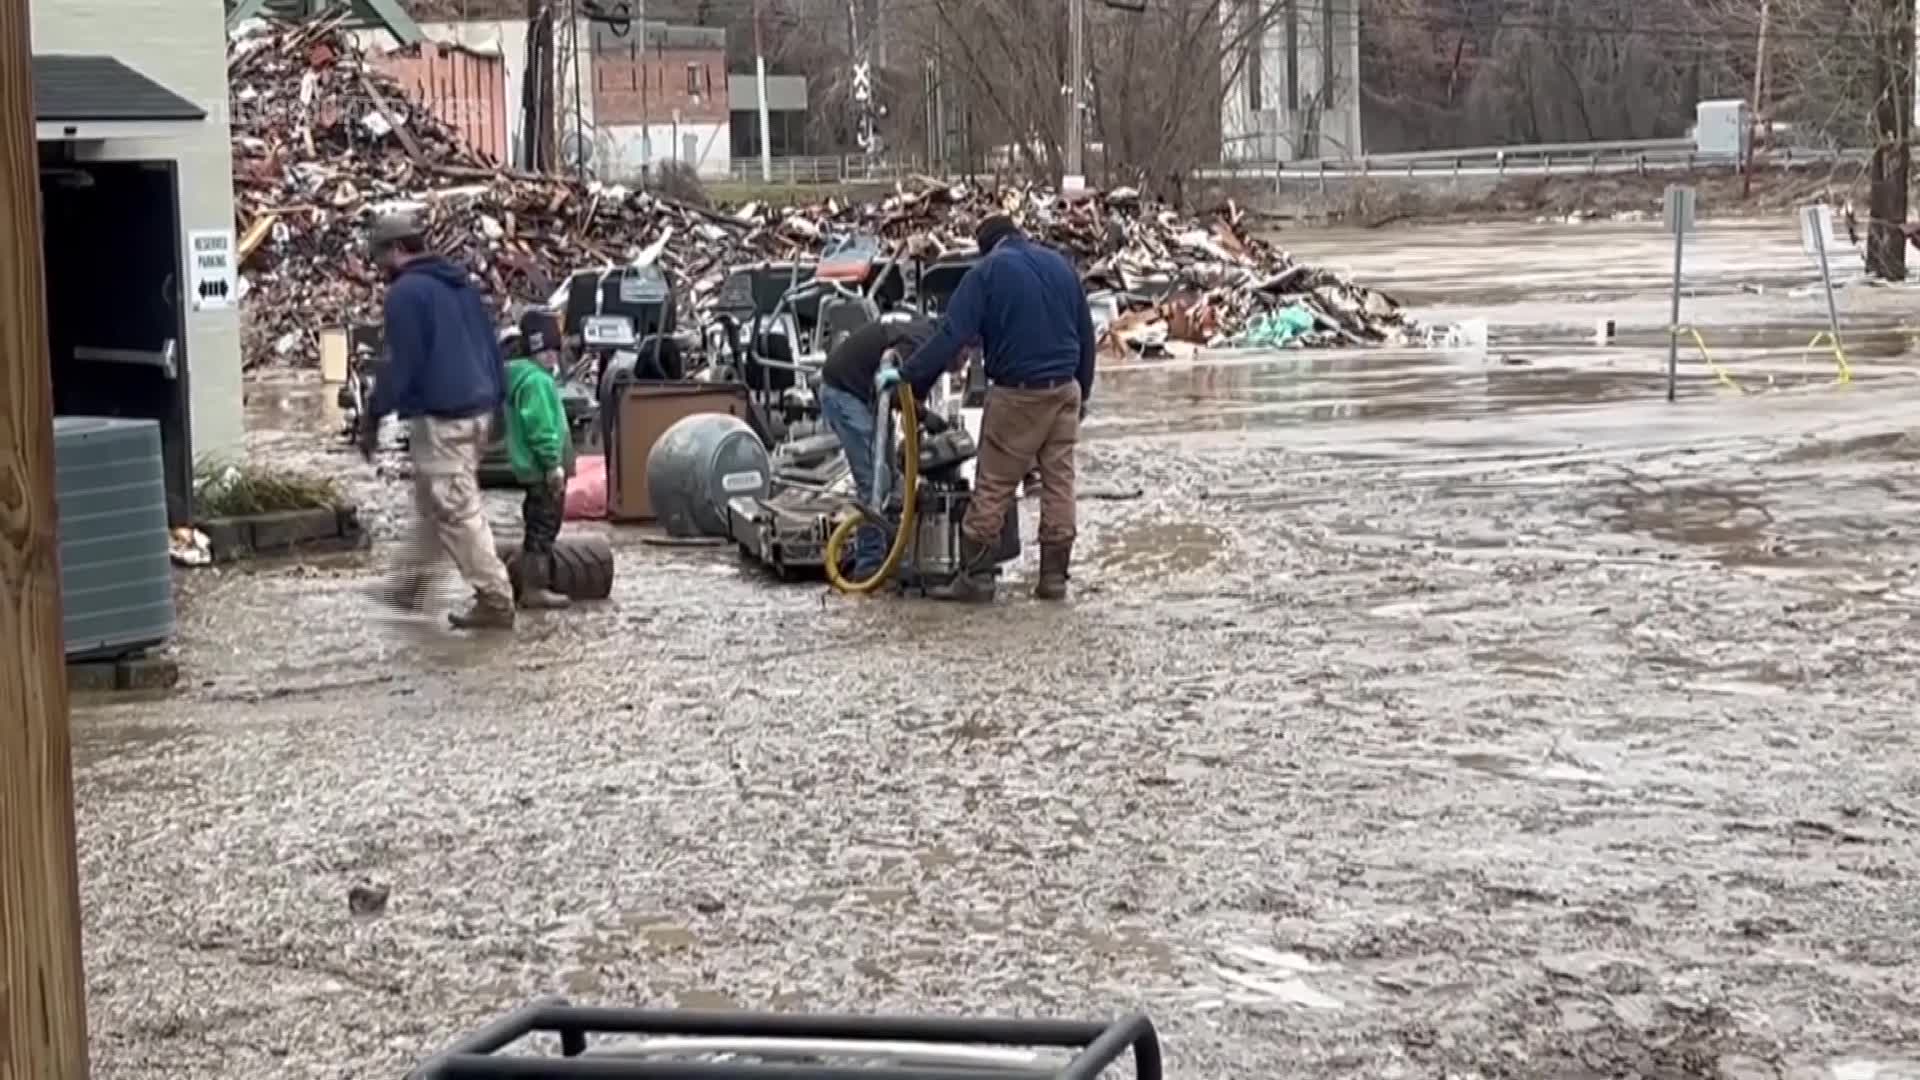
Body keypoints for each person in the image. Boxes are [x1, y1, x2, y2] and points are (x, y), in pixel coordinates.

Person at [885, 215, 1095, 603]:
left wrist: (910, 381)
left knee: (995, 484)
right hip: (1065, 389)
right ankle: (1053, 579)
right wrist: (1082, 395)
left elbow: (952, 334)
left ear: (986, 247)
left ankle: (976, 578)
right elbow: (1086, 335)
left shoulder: (987, 273)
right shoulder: (1060, 265)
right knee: (1059, 484)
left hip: (1018, 394)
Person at [359, 212, 517, 630]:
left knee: (456, 512)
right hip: (478, 410)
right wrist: (498, 402)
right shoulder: (460, 285)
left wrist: (374, 414)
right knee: (434, 504)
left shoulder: (406, 294)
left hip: (444, 417)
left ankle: (495, 598)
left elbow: (400, 362)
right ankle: (410, 587)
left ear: (396, 250)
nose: (378, 269)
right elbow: (490, 345)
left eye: (379, 258)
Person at [817, 313, 937, 580]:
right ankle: (870, 568)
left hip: (865, 396)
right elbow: (895, 390)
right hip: (845, 392)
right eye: (964, 357)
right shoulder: (923, 345)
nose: (963, 365)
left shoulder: (931, 336)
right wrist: (924, 416)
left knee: (893, 481)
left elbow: (901, 394)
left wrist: (923, 418)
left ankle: (893, 555)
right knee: (874, 482)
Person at [504, 310, 575, 610]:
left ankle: (520, 579)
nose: (552, 359)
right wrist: (552, 465)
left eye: (555, 352)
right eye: (547, 351)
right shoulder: (537, 383)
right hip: (543, 470)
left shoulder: (525, 378)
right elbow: (541, 428)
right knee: (543, 528)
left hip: (534, 470)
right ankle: (535, 587)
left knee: (537, 524)